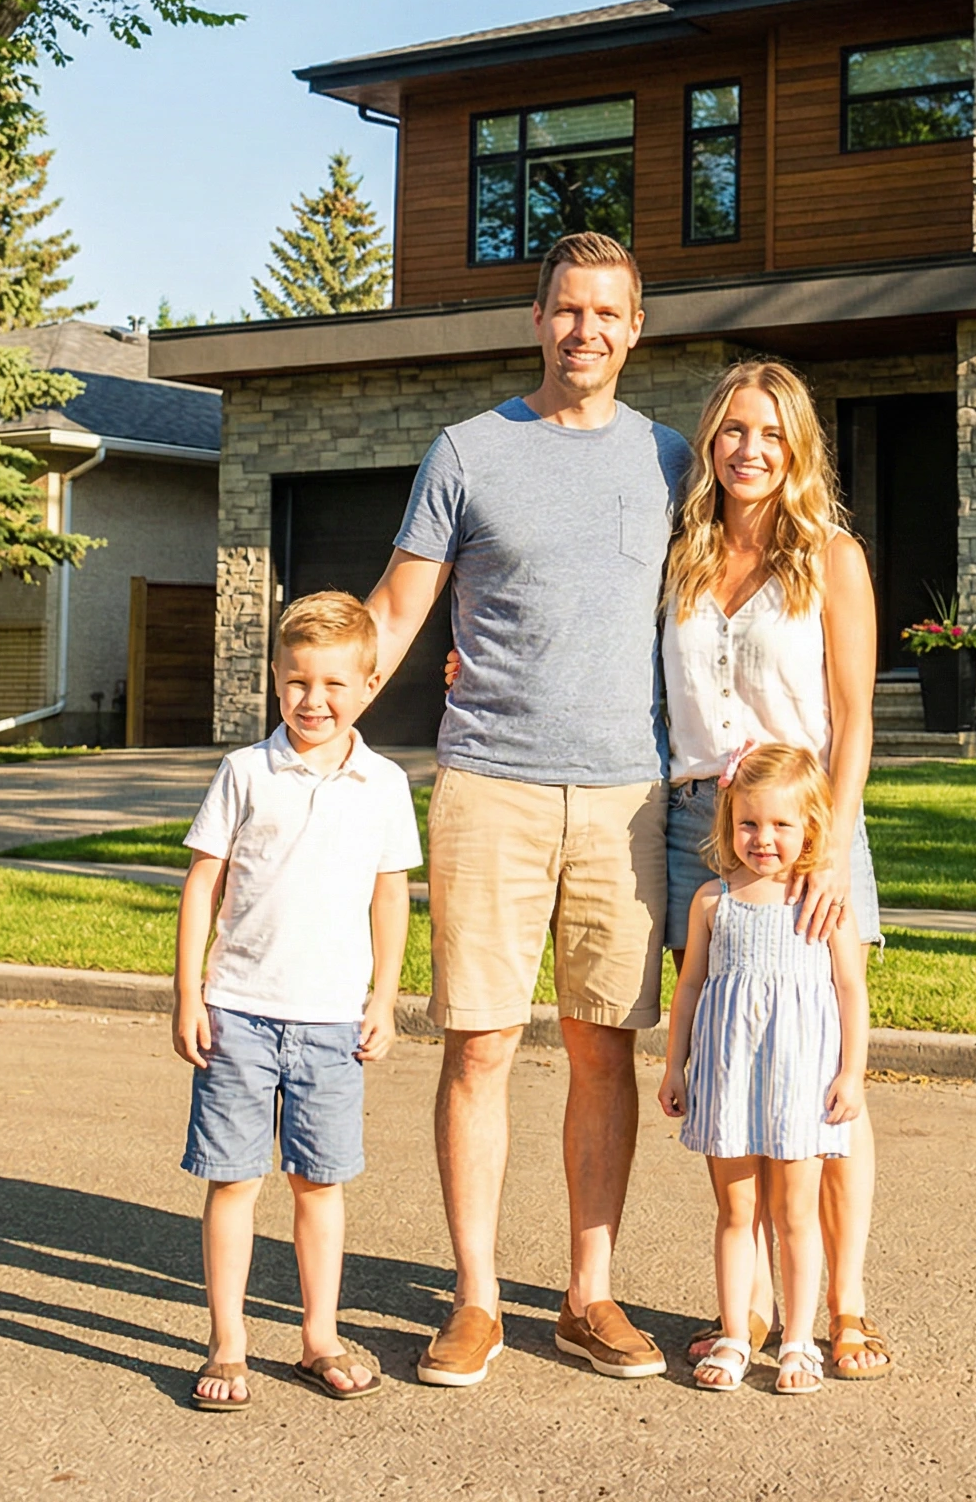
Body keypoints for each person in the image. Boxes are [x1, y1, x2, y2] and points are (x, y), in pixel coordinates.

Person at [366, 231, 693, 1389]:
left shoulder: (670, 458)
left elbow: (725, 595)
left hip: (625, 794)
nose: (586, 329)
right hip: (488, 784)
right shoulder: (465, 450)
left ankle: (587, 1293)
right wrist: (311, 724)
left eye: (608, 312)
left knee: (604, 1047)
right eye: (567, 309)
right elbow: (398, 610)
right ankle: (474, 1297)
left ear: (634, 326)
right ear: (537, 317)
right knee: (481, 1042)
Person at [662, 358, 894, 1379]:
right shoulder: (680, 558)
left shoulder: (829, 557)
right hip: (694, 831)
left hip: (806, 838)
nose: (746, 450)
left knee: (819, 1076)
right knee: (732, 1054)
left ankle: (841, 1303)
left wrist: (833, 850)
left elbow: (854, 718)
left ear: (795, 445)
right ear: (707, 444)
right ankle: (747, 1309)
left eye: (767, 432)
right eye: (728, 432)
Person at [172, 590, 420, 1410]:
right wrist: (189, 993)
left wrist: (384, 997)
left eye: (333, 685)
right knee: (234, 1180)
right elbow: (202, 881)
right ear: (275, 681)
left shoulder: (382, 784)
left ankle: (319, 1335)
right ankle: (229, 1342)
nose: (313, 701)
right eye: (296, 683)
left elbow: (392, 896)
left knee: (320, 1183)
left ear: (368, 682)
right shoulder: (246, 772)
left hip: (331, 1022)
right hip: (239, 1009)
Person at [659, 744, 869, 1395]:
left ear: (812, 826)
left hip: (800, 1082)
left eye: (781, 825)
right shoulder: (712, 903)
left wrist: (851, 1073)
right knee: (735, 1211)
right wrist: (675, 1066)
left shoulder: (822, 903)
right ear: (729, 822)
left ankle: (800, 1342)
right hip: (729, 1079)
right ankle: (733, 1331)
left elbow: (850, 991)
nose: (764, 839)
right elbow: (690, 985)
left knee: (796, 1215)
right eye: (750, 823)